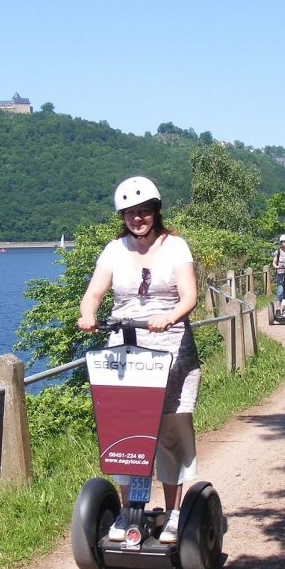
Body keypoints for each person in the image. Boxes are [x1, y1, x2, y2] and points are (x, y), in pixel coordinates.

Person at [77, 176, 201, 544]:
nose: (138, 219)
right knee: (125, 429)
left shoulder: (175, 246)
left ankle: (175, 512)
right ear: (123, 216)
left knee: (169, 429)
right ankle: (129, 511)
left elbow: (189, 295)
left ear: (155, 213)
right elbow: (94, 293)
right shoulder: (114, 250)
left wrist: (170, 316)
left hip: (170, 343)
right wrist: (87, 313)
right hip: (124, 347)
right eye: (131, 213)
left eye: (144, 212)